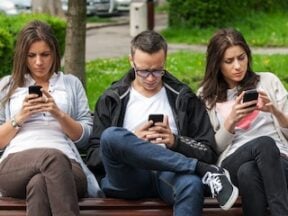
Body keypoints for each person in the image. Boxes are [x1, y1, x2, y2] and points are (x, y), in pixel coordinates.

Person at [86, 30, 238, 215]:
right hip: (128, 177)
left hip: (169, 175)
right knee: (111, 136)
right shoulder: (112, 98)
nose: (150, 78)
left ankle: (199, 171)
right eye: (143, 71)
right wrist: (132, 140)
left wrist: (175, 141)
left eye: (157, 70)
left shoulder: (184, 97)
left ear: (165, 61)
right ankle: (201, 169)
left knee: (191, 184)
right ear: (131, 61)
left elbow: (207, 150)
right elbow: (94, 155)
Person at [0, 20, 102, 216]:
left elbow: (85, 138)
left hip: (69, 167)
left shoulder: (71, 84)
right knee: (51, 157)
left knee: (39, 184)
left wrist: (58, 113)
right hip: (15, 166)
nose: (39, 62)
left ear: (55, 53)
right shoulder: (7, 85)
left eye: (45, 54)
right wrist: (20, 117)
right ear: (23, 56)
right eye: (32, 55)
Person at [198, 28, 288, 216]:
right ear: (217, 64)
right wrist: (231, 120)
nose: (238, 66)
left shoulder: (268, 81)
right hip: (232, 161)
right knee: (264, 143)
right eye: (229, 61)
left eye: (242, 57)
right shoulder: (206, 96)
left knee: (249, 173)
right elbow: (210, 149)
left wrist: (275, 111)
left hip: (279, 161)